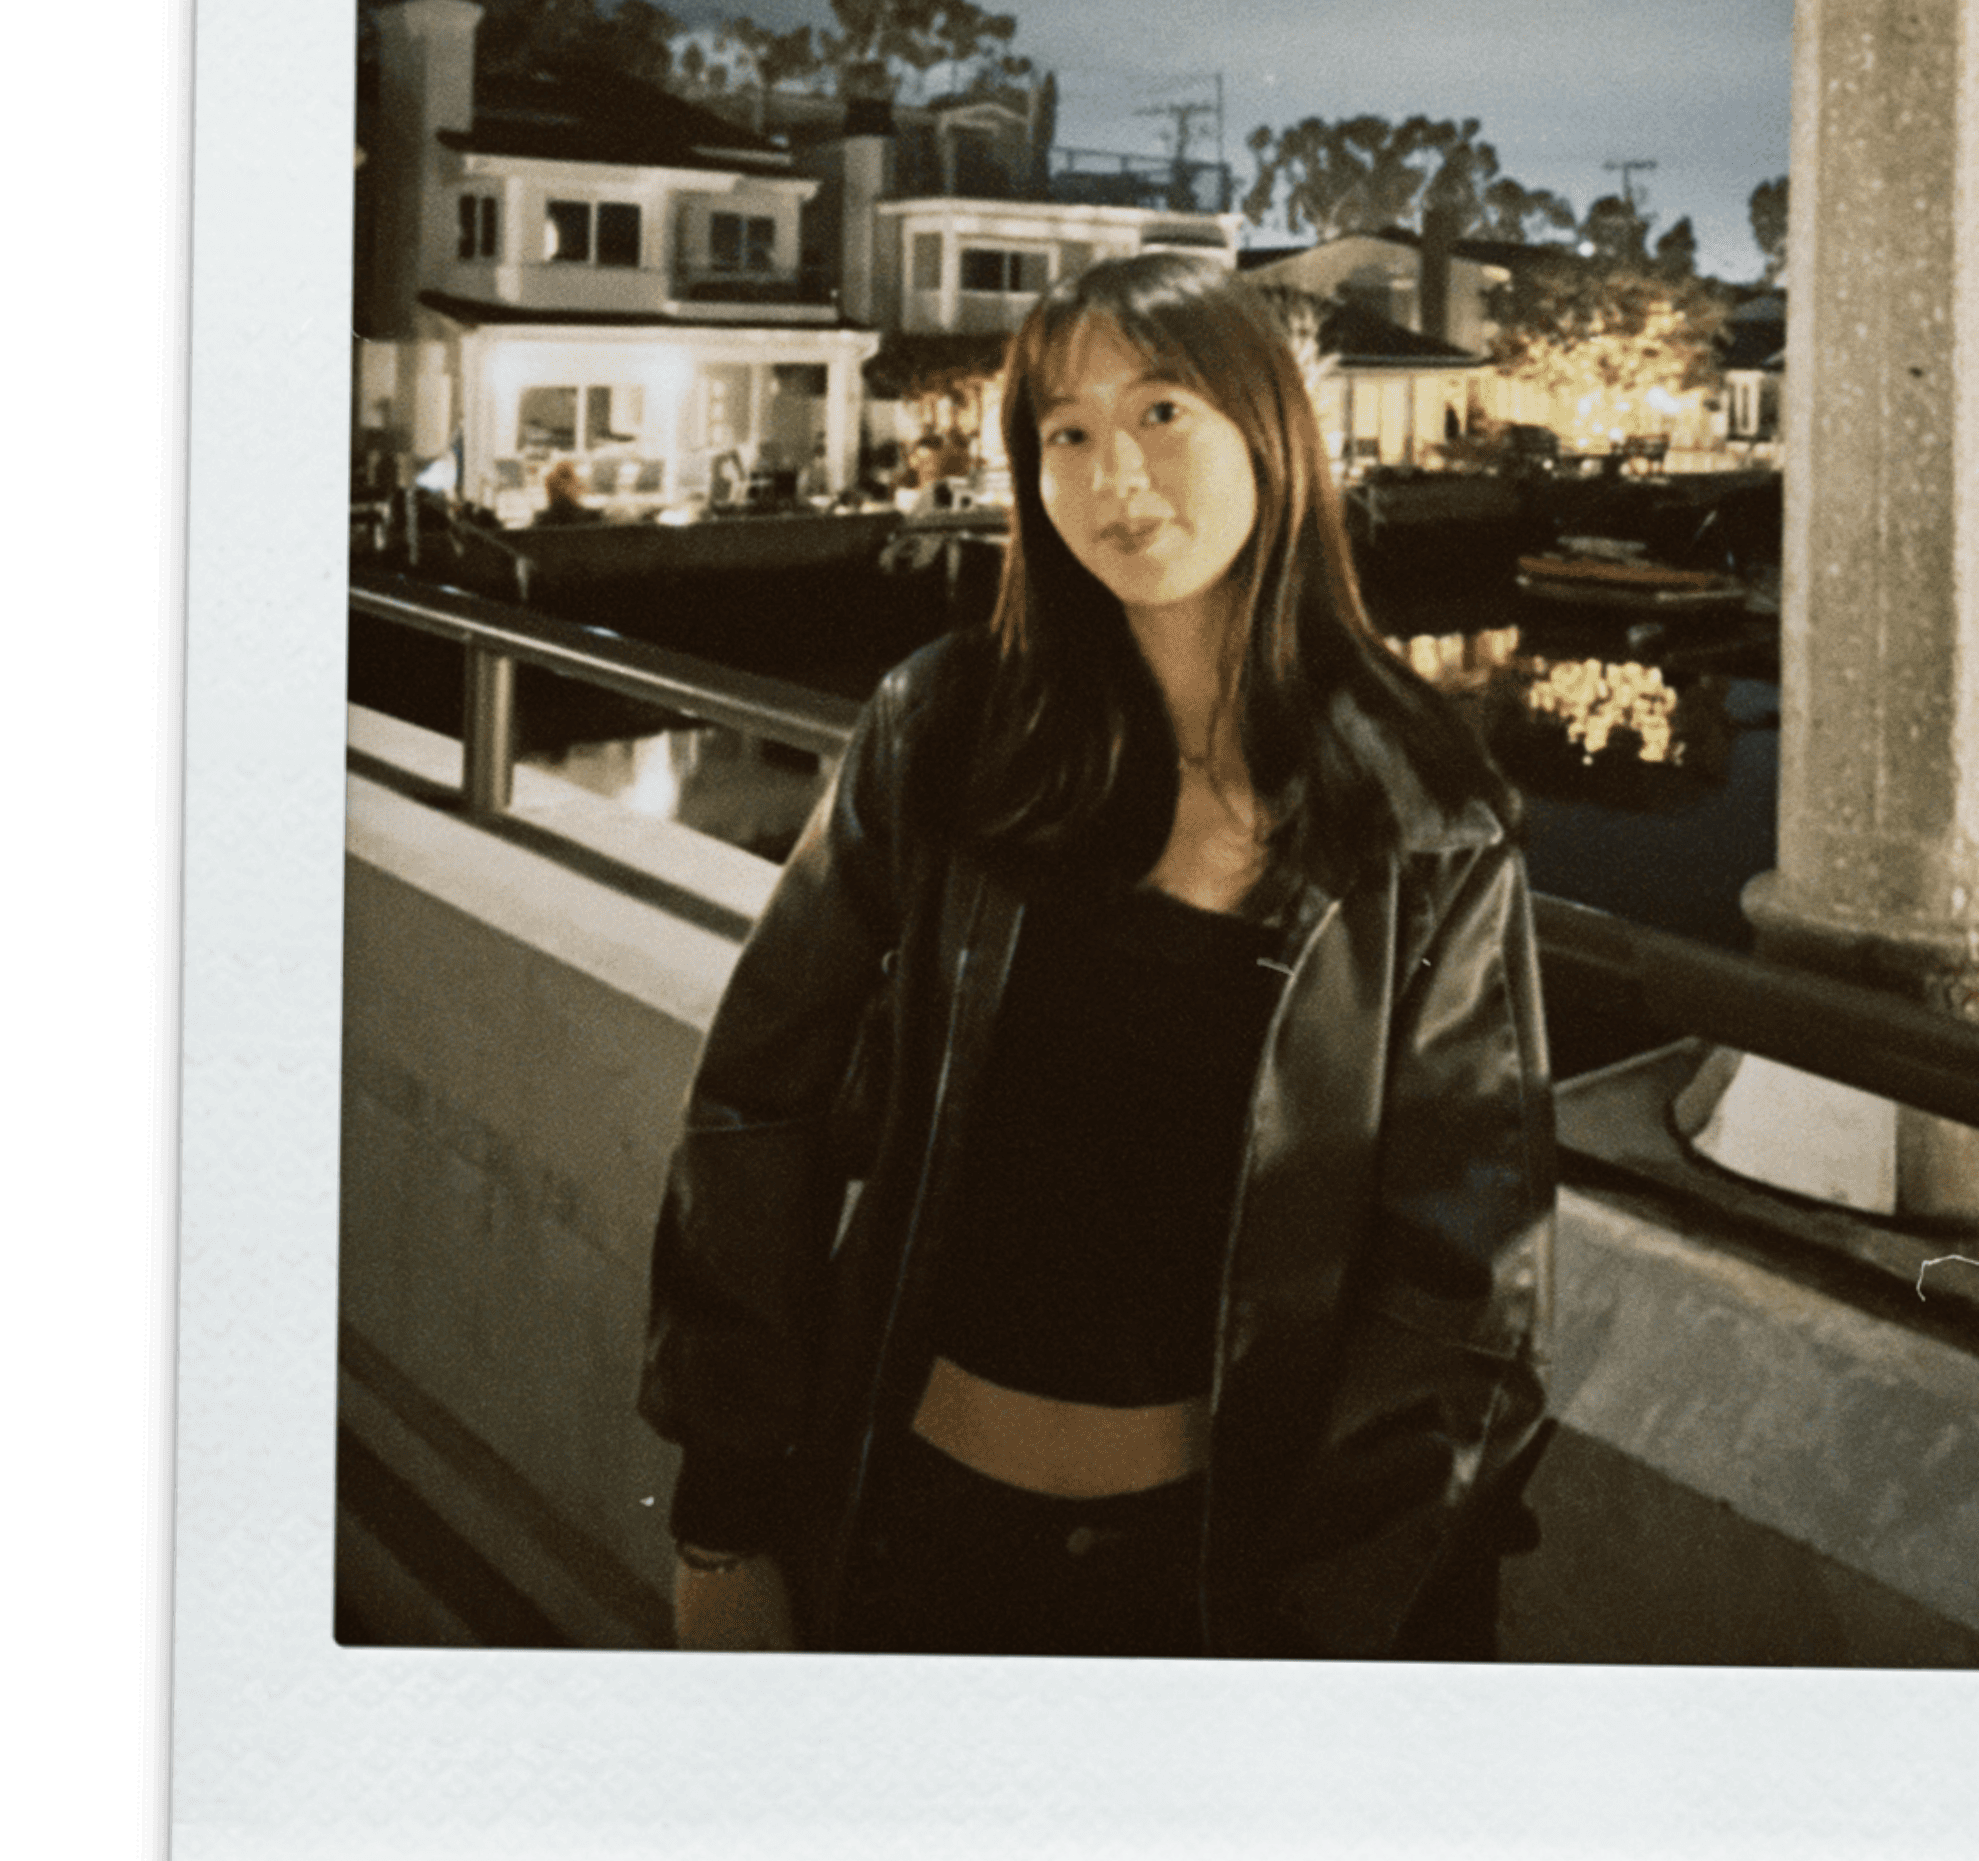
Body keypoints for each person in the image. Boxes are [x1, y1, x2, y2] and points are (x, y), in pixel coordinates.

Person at [639, 250, 1554, 1659]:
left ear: (1273, 434)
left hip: (1208, 1591)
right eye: (1065, 432)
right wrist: (723, 1509)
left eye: (1162, 414)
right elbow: (762, 1100)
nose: (1112, 471)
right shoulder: (945, 731)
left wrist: (1334, 1643)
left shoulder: (1424, 816)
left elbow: (1462, 1283)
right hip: (904, 1537)